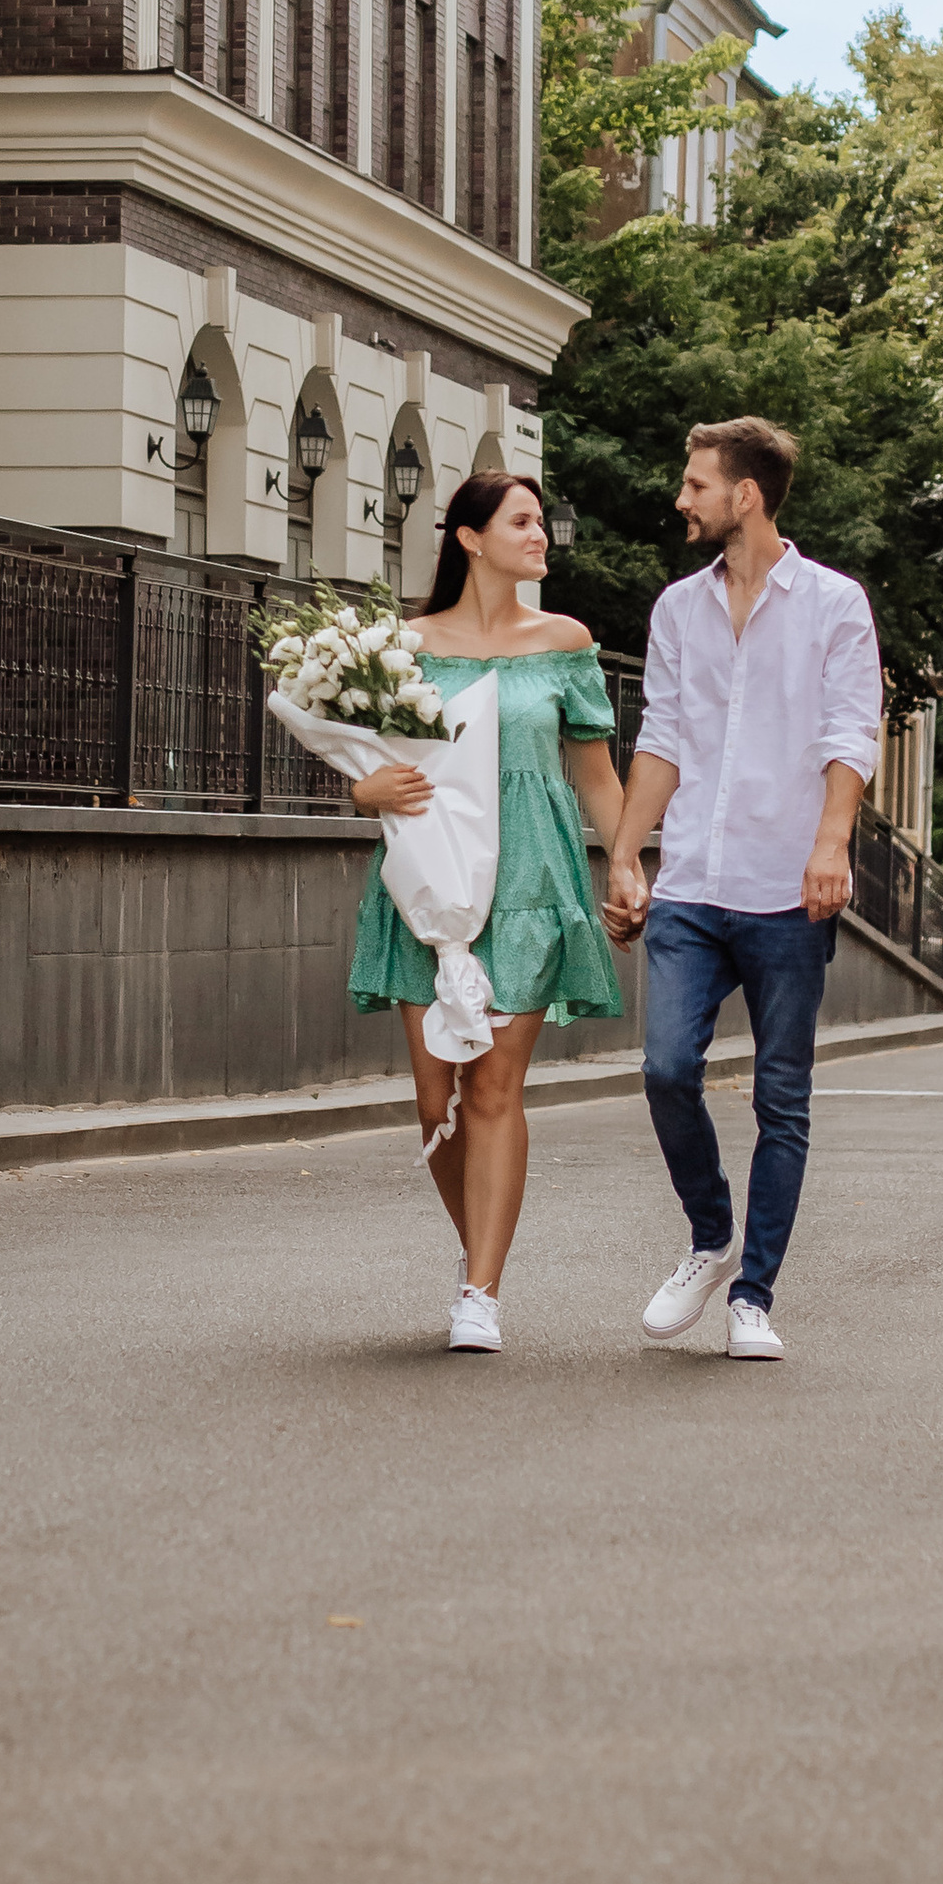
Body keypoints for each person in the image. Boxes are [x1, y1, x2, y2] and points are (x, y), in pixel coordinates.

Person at [603, 418, 883, 1362]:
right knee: (666, 1070)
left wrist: (831, 841)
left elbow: (852, 732)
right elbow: (663, 739)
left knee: (781, 1097)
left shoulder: (835, 604)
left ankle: (753, 1295)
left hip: (785, 886)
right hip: (691, 881)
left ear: (745, 496)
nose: (682, 499)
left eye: (696, 484)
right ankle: (710, 1235)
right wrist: (626, 855)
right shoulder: (678, 609)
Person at [346, 468, 629, 1355]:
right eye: (522, 522)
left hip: (533, 878)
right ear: (470, 538)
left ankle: (480, 1290)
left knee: (495, 1084)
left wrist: (627, 865)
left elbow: (596, 775)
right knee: (438, 1098)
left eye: (541, 522)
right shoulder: (405, 645)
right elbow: (367, 761)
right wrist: (365, 790)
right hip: (430, 881)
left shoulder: (565, 642)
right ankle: (481, 1248)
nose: (540, 535)